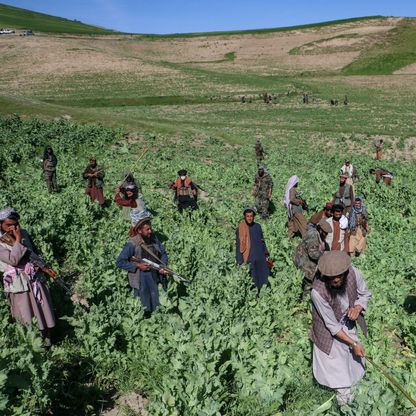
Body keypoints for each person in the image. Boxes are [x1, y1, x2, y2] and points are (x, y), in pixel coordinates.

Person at [310, 251, 371, 406]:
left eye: (340, 275)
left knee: (352, 360)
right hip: (328, 328)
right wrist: (354, 343)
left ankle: (354, 386)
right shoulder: (317, 292)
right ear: (325, 275)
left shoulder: (353, 273)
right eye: (332, 277)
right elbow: (333, 327)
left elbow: (365, 294)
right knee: (336, 365)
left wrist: (357, 307)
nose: (336, 279)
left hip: (346, 321)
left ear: (345, 271)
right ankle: (344, 402)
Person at [0, 208, 56, 347]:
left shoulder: (23, 233)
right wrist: (18, 240)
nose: (13, 227)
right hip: (18, 283)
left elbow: (34, 253)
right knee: (25, 312)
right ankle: (31, 342)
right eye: (8, 225)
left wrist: (42, 267)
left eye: (15, 224)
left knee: (41, 307)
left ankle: (46, 337)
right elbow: (13, 260)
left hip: (33, 277)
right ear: (1, 224)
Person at [116, 213, 169, 315]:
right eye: (147, 229)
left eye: (150, 228)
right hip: (141, 278)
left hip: (155, 276)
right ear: (139, 231)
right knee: (144, 305)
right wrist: (137, 265)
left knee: (157, 302)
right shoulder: (132, 244)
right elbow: (120, 262)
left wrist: (163, 266)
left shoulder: (154, 239)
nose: (151, 231)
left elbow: (163, 254)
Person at [294, 218, 332, 299]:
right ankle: (306, 299)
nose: (326, 235)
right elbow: (313, 254)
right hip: (303, 260)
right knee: (309, 280)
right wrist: (325, 257)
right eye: (325, 233)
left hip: (307, 259)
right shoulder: (313, 235)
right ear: (320, 230)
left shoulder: (319, 235)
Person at [236, 208, 270, 292]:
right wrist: (240, 261)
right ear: (244, 217)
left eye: (251, 216)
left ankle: (264, 294)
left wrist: (266, 254)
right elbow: (238, 245)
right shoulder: (241, 228)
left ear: (254, 217)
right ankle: (255, 296)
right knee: (253, 279)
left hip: (260, 256)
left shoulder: (257, 226)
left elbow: (262, 241)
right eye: (247, 216)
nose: (249, 218)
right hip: (249, 257)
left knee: (263, 276)